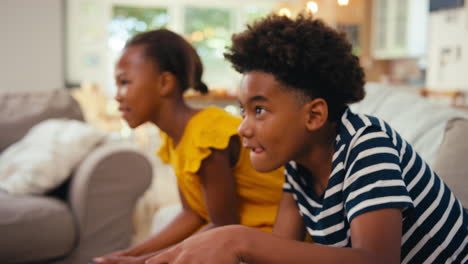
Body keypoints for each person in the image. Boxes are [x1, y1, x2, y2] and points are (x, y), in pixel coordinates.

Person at [146, 14, 468, 264]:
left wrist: (237, 239)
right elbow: (280, 253)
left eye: (259, 110)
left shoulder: (367, 146)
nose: (242, 127)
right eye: (242, 110)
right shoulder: (299, 169)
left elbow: (376, 261)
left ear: (314, 116)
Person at [92, 29, 284, 264]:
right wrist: (130, 253)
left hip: (269, 238)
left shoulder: (207, 135)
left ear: (164, 83)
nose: (118, 96)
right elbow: (191, 214)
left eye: (124, 82)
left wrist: (146, 261)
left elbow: (223, 225)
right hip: (235, 234)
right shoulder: (174, 137)